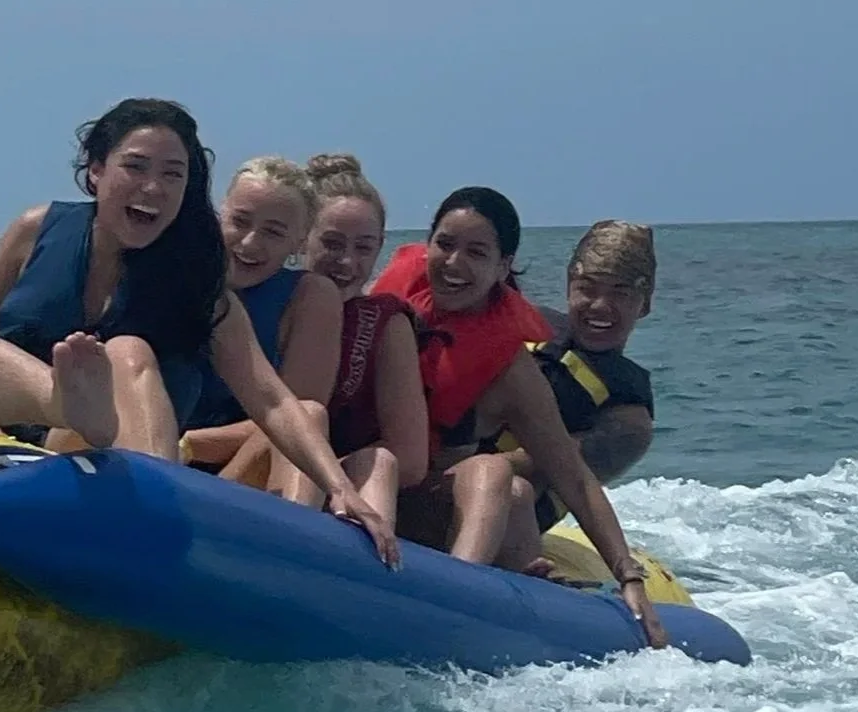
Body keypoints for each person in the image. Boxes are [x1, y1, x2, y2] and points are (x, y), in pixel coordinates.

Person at [0, 98, 398, 560]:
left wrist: (338, 487)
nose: (153, 187)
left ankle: (106, 462)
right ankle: (58, 398)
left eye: (173, 174)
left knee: (126, 351)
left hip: (99, 464)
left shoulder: (199, 285)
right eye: (136, 167)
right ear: (96, 169)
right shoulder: (34, 230)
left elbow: (274, 401)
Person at [376, 186, 667, 646]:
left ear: (503, 266)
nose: (600, 307)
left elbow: (572, 477)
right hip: (380, 476)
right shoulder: (400, 307)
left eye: (476, 252)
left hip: (473, 504)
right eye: (445, 244)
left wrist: (628, 574)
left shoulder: (612, 411)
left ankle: (457, 600)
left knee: (503, 484)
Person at [270, 153, 428, 536]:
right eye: (332, 243)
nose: (346, 261)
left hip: (339, 486)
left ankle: (365, 576)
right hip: (250, 470)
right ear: (301, 236)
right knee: (305, 417)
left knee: (380, 461)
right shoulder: (263, 299)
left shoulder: (384, 322)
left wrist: (327, 473)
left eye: (363, 248)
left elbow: (410, 459)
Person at [179, 157, 343, 486]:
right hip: (146, 452)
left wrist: (186, 444)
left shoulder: (309, 297)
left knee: (308, 415)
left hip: (237, 473)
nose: (250, 242)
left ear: (299, 242)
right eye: (240, 221)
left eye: (273, 232)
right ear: (219, 216)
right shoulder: (173, 272)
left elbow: (296, 419)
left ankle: (298, 534)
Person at [497, 220, 658, 554]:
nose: (599, 305)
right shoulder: (521, 323)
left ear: (644, 303)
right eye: (587, 288)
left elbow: (554, 467)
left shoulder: (629, 421)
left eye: (620, 293)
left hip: (505, 514)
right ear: (569, 285)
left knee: (512, 491)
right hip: (438, 468)